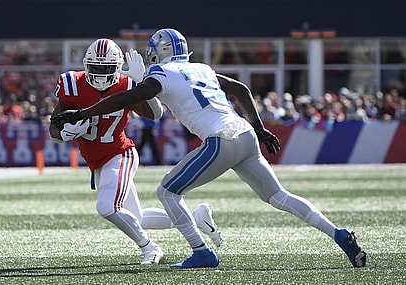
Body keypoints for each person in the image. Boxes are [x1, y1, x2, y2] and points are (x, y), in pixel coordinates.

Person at [51, 29, 367, 269]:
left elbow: (123, 100)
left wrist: (81, 113)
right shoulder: (201, 68)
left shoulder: (160, 73)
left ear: (158, 52)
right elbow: (241, 89)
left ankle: (201, 251)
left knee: (167, 193)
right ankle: (338, 233)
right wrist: (259, 128)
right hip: (244, 135)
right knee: (279, 196)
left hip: (220, 140)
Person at [49, 38, 221, 265]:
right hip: (98, 161)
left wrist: (142, 83)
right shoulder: (72, 83)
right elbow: (54, 125)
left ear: (117, 67)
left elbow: (155, 114)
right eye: (96, 68)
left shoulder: (126, 84)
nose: (101, 74)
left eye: (107, 69)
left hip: (120, 153)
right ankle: (197, 218)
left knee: (107, 207)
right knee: (135, 217)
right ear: (86, 64)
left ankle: (149, 247)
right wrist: (63, 133)